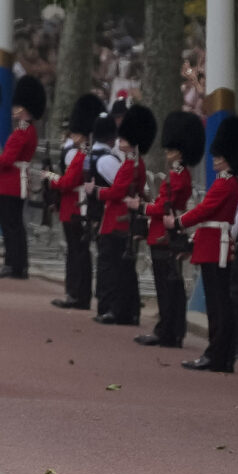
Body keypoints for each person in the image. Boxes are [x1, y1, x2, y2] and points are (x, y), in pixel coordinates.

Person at [176, 117, 238, 372]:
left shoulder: (225, 183)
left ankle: (217, 354)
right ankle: (220, 354)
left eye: (218, 155)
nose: (214, 159)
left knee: (218, 305)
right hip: (212, 243)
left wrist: (178, 221)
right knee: (219, 304)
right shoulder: (226, 181)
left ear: (227, 157)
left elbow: (205, 209)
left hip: (217, 247)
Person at [140, 111, 205, 348]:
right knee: (171, 283)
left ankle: (168, 330)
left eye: (169, 151)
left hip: (164, 233)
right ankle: (170, 329)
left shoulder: (178, 176)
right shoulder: (178, 174)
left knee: (167, 284)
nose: (166, 155)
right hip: (166, 230)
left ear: (178, 152)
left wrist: (143, 207)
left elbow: (163, 205)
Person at [90, 104, 154, 326]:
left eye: (124, 139)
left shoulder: (131, 165)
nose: (120, 141)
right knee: (123, 268)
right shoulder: (133, 164)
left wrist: (97, 192)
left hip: (118, 220)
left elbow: (117, 192)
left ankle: (119, 310)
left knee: (116, 268)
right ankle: (128, 310)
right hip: (120, 218)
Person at [52, 92, 105, 311]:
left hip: (76, 206)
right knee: (75, 251)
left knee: (78, 252)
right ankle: (74, 292)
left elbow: (67, 182)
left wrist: (51, 180)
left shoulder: (82, 154)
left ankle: (78, 294)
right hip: (72, 205)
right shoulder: (83, 151)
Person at [0, 75, 45, 278]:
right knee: (15, 226)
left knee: (11, 226)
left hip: (10, 182)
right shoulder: (27, 129)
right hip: (16, 181)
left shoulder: (22, 131)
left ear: (23, 108)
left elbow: (7, 159)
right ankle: (17, 265)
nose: (13, 110)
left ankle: (13, 264)